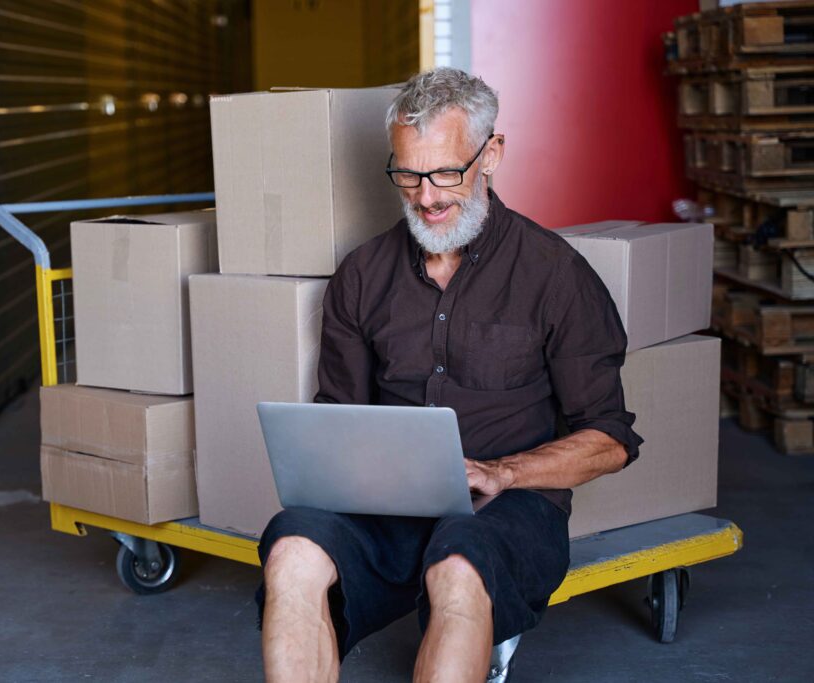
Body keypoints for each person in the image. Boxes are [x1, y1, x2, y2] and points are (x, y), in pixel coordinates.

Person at [255, 67, 644, 683]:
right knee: (292, 550)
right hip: (387, 504)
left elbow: (611, 440)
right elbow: (340, 416)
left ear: (491, 155)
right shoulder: (362, 275)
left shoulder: (556, 276)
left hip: (510, 509)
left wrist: (502, 472)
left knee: (460, 566)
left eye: (445, 173)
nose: (426, 197)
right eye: (408, 175)